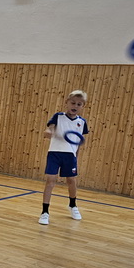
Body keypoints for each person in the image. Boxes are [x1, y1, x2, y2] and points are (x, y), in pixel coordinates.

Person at [39, 90, 89, 225]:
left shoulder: (82, 122)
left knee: (71, 181)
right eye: (73, 103)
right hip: (54, 153)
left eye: (79, 104)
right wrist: (48, 131)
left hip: (70, 155)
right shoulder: (58, 117)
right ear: (67, 102)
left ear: (83, 106)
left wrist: (76, 157)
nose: (75, 106)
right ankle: (45, 212)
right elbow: (50, 129)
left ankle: (73, 205)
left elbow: (78, 142)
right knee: (50, 180)